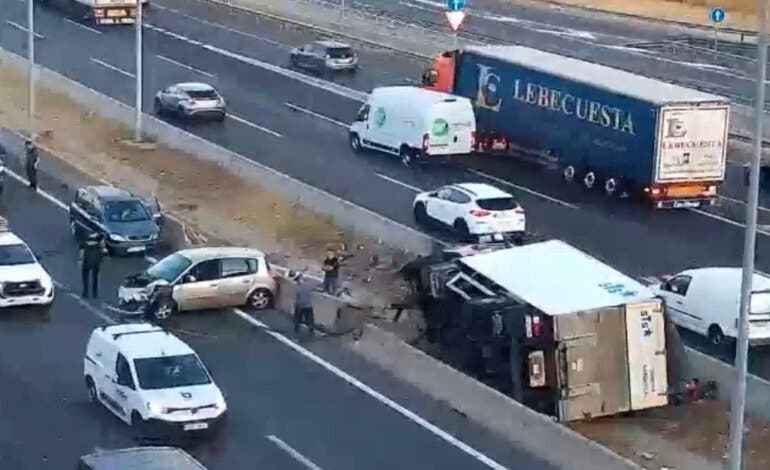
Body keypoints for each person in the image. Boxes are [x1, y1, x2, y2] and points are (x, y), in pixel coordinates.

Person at [79, 232, 106, 299]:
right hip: (96, 262)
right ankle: (95, 294)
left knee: (85, 277)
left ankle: (85, 293)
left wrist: (80, 260)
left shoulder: (84, 241)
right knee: (95, 278)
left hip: (86, 262)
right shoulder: (99, 241)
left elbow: (81, 252)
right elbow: (103, 249)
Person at [289, 270, 315, 336]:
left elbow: (296, 297)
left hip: (299, 306)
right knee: (310, 321)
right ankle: (311, 332)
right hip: (308, 305)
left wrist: (293, 306)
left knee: (297, 321)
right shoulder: (309, 285)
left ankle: (296, 333)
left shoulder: (297, 287)